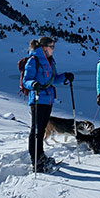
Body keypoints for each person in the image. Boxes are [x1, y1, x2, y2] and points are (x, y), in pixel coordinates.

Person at [22, 36, 74, 173]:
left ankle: (41, 156)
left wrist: (65, 76)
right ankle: (36, 161)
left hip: (48, 99)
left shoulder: (50, 61)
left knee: (42, 128)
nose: (53, 49)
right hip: (37, 99)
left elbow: (54, 79)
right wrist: (33, 84)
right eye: (51, 46)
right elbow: (26, 80)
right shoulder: (34, 60)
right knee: (37, 130)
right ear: (44, 47)